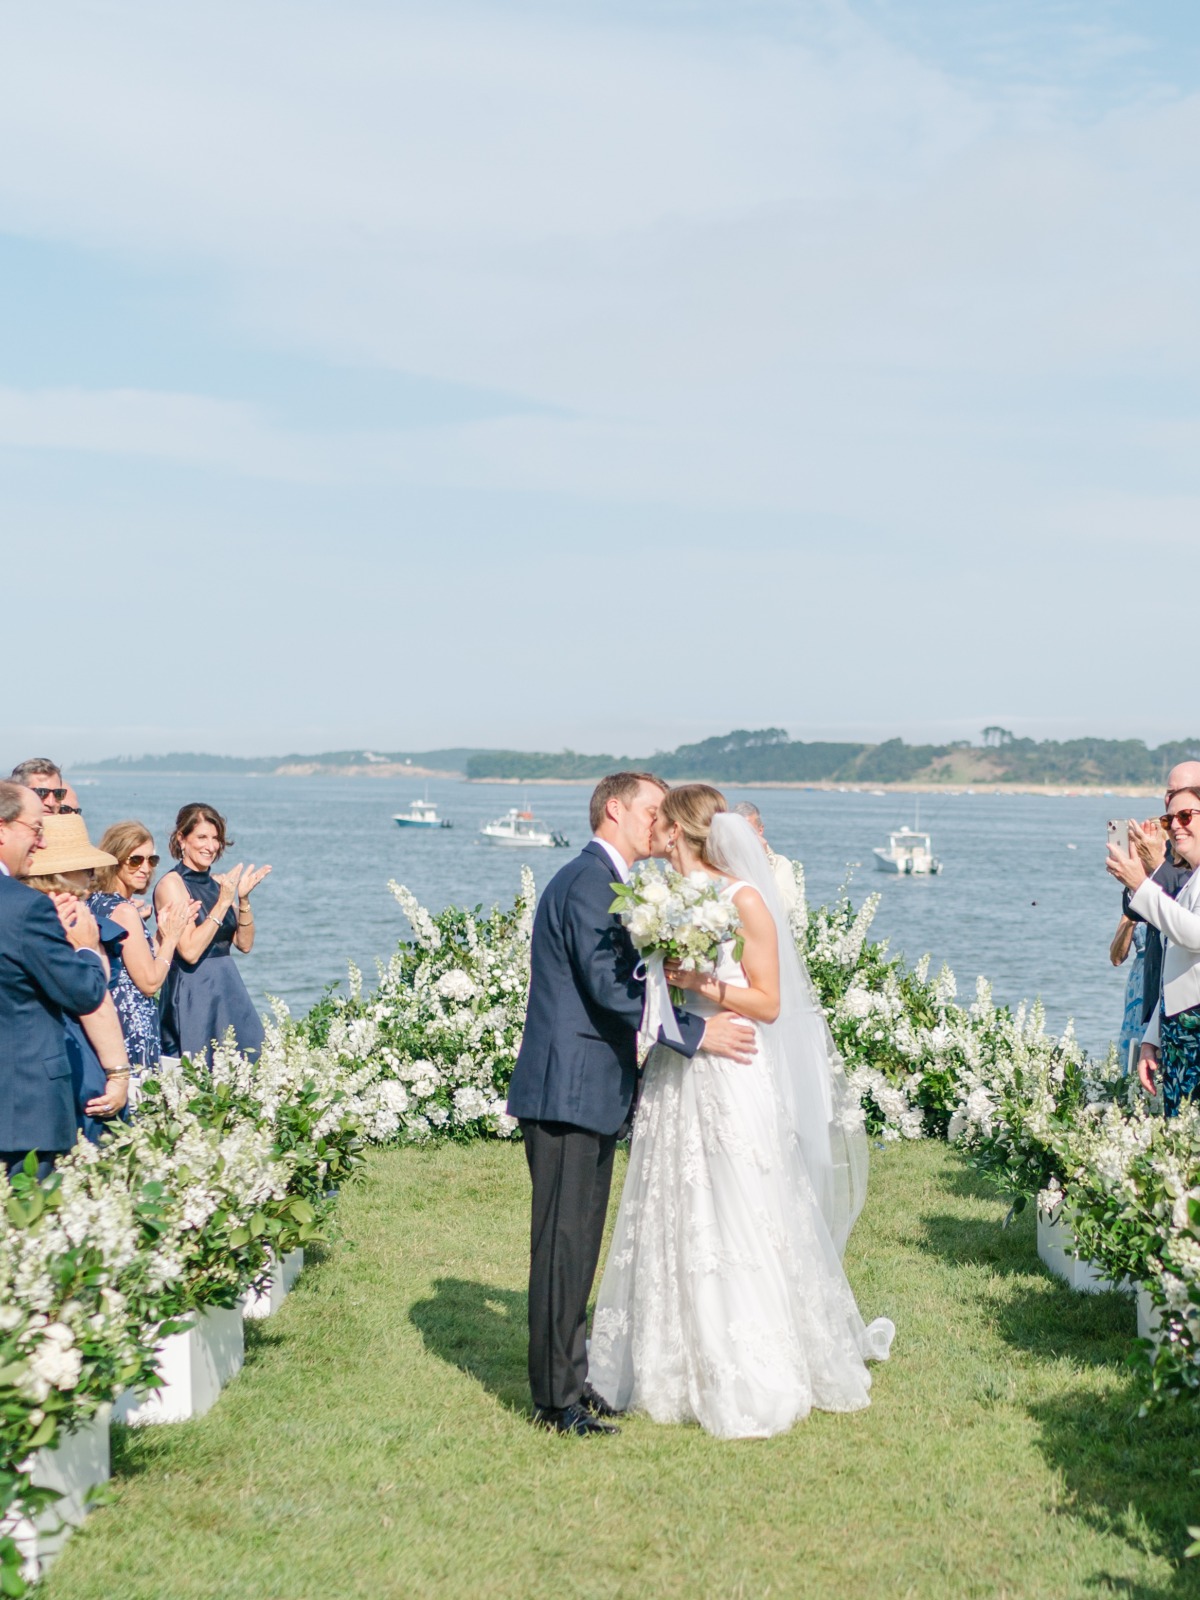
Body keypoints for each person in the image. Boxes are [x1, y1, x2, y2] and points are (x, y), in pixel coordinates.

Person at [589, 786, 893, 1440]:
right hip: (680, 1069)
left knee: (738, 1205)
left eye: (664, 828)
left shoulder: (744, 899)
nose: (657, 839)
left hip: (732, 1070)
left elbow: (769, 1003)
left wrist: (700, 984)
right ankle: (672, 1362)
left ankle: (751, 1365)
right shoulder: (663, 901)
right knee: (676, 1204)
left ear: (681, 831)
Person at [506, 772, 757, 1438]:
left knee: (578, 1244)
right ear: (614, 809)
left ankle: (572, 1378)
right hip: (567, 1091)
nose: (660, 821)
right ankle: (555, 1402)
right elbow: (614, 989)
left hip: (585, 1089)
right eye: (651, 809)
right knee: (563, 1247)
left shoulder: (601, 880)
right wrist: (700, 1033)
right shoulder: (590, 883)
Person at [0, 783, 117, 1178]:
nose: (41, 842)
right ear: (2, 829)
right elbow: (84, 993)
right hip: (22, 1111)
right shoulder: (25, 908)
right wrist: (85, 948)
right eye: (35, 829)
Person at [23, 814, 133, 1143]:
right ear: (65, 873)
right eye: (85, 868)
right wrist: (118, 1074)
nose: (90, 876)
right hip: (79, 1049)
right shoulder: (74, 917)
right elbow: (95, 1000)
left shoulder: (23, 911)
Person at [1108, 785, 1200, 1116]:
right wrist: (1153, 1037)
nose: (1176, 824)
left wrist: (1142, 885)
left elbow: (1194, 935)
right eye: (1170, 818)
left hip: (1195, 1030)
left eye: (1186, 816)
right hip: (1178, 1030)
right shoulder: (1190, 880)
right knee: (1179, 1130)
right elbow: (1174, 969)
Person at [154, 803, 270, 1064]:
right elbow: (190, 951)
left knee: (246, 1067)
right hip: (194, 992)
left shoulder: (219, 884)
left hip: (228, 990)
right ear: (182, 839)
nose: (211, 846)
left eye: (216, 838)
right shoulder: (172, 885)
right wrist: (222, 902)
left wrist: (243, 899)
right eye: (202, 837)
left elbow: (245, 944)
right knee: (196, 1074)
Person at [90, 821, 195, 1097]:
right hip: (133, 1024)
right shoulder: (124, 911)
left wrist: (160, 933)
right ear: (114, 860)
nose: (146, 868)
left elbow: (133, 958)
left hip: (109, 1020)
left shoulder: (93, 900)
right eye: (135, 860)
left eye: (152, 859)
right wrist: (172, 937)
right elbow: (149, 982)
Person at [733, 799, 800, 915]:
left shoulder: (780, 864)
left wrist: (761, 863)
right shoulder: (721, 862)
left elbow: (785, 908)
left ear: (760, 830)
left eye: (748, 831)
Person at [1110, 912, 1147, 1075]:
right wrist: (1131, 921)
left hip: (1170, 973)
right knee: (1135, 1041)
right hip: (1140, 982)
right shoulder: (1135, 899)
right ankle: (1132, 1090)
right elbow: (1116, 958)